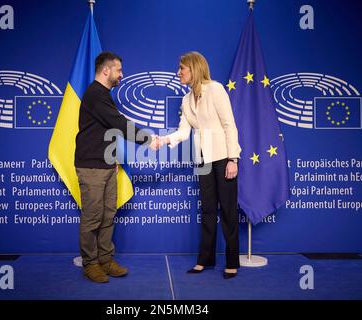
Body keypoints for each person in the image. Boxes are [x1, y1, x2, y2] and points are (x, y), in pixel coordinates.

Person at [156, 51, 241, 279]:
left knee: (229, 212)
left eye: (182, 68)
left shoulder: (216, 89)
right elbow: (184, 131)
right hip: (202, 160)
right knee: (207, 210)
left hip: (223, 158)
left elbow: (229, 125)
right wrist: (163, 140)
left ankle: (232, 262)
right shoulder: (186, 100)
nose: (179, 72)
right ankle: (205, 259)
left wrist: (233, 159)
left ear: (194, 69)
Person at [75, 51, 152, 283]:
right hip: (92, 168)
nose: (121, 74)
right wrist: (149, 139)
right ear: (106, 70)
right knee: (92, 218)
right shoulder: (95, 94)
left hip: (108, 166)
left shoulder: (104, 95)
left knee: (108, 215)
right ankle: (91, 264)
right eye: (118, 70)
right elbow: (118, 124)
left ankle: (106, 260)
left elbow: (110, 128)